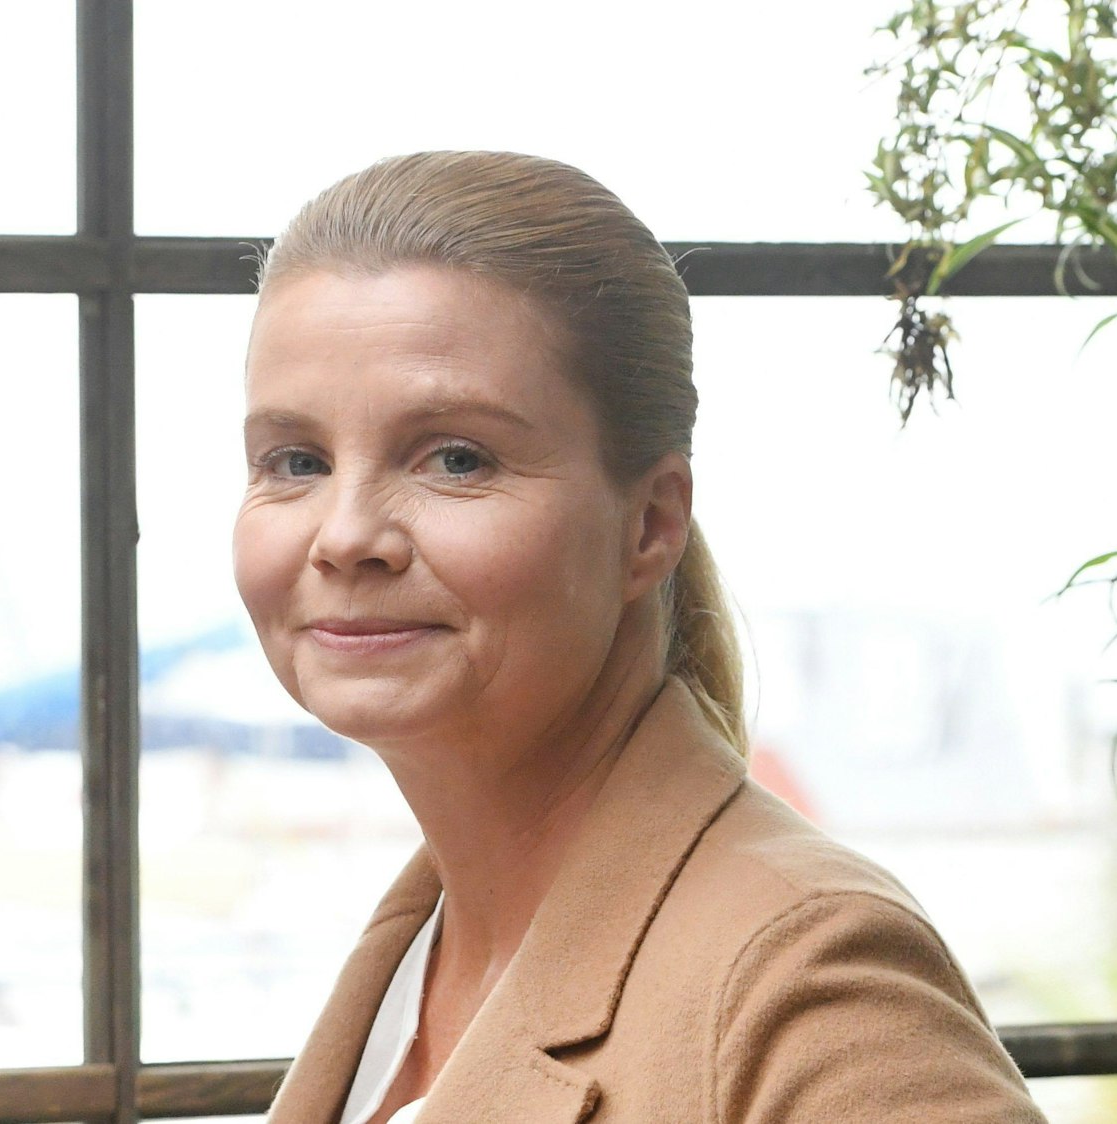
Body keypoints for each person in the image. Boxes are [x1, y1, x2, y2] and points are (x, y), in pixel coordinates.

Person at [240, 152, 1044, 1123]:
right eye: (296, 461)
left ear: (652, 523)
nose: (344, 535)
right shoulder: (421, 953)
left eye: (456, 458)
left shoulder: (814, 984)